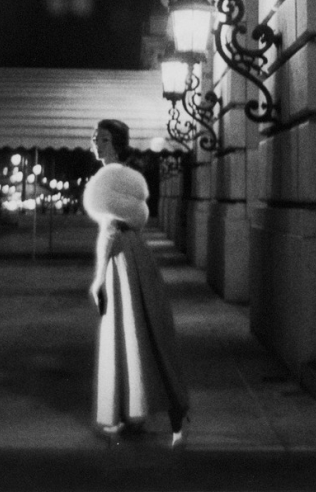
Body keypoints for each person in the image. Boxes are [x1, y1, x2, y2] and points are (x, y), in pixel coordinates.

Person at [84, 119, 189, 446]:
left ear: (116, 143)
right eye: (96, 138)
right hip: (137, 256)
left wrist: (99, 278)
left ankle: (121, 410)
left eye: (103, 139)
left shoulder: (107, 179)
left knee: (120, 329)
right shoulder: (127, 178)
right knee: (140, 329)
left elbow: (110, 231)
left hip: (119, 258)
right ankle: (140, 406)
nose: (96, 144)